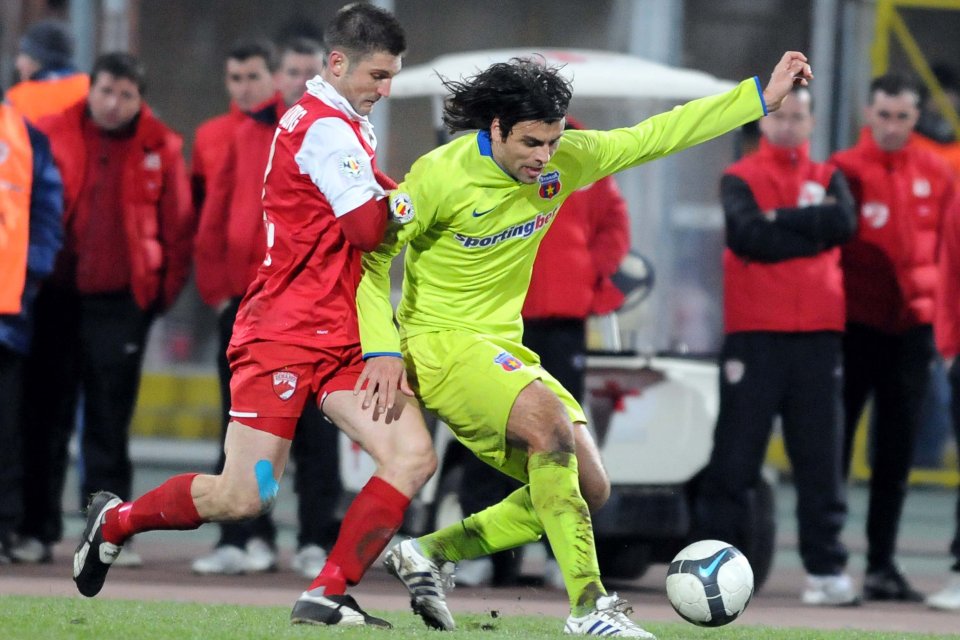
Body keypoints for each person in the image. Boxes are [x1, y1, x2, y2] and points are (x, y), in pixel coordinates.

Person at [356, 51, 813, 637]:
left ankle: (430, 552)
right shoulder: (437, 176)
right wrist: (383, 351)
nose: (544, 157)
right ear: (493, 128)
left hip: (503, 346)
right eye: (530, 142)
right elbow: (374, 259)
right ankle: (589, 608)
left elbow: (659, 134)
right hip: (438, 343)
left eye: (553, 140)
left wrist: (758, 98)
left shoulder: (563, 160)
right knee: (549, 428)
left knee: (590, 486)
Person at [71, 4, 436, 629]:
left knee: (411, 456)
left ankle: (327, 589)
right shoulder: (324, 128)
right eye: (378, 75)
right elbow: (368, 226)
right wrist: (424, 196)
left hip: (340, 335)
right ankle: (118, 520)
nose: (386, 88)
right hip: (283, 335)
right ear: (338, 63)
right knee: (246, 496)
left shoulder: (345, 122)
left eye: (393, 75)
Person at [10, 52, 195, 566]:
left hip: (120, 304)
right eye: (106, 92)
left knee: (109, 424)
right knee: (45, 418)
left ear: (140, 98)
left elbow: (178, 231)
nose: (113, 104)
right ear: (90, 90)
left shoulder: (161, 144)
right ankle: (36, 529)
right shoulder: (48, 131)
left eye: (126, 95)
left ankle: (110, 533)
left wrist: (155, 298)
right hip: (55, 298)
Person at [691, 86, 859, 606]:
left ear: (811, 124)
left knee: (820, 459)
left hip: (819, 337)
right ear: (763, 123)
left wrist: (778, 223)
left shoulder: (829, 175)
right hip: (755, 336)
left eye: (798, 117)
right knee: (736, 457)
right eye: (780, 116)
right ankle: (720, 566)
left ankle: (826, 570)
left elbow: (844, 224)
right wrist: (810, 231)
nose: (789, 125)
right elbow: (747, 237)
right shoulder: (740, 177)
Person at [455, 116, 630, 589]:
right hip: (502, 320)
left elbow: (615, 226)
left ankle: (560, 549)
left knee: (564, 440)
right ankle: (482, 552)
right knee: (489, 436)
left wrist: (585, 274)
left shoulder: (582, 155)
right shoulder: (499, 153)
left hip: (561, 320)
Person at [191, 37, 341, 578]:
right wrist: (220, 291)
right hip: (250, 305)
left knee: (318, 431)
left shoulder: (328, 134)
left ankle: (314, 540)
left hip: (310, 306)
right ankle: (243, 537)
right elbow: (217, 220)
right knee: (244, 425)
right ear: (278, 78)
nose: (302, 80)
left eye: (311, 70)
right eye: (293, 70)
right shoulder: (243, 133)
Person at [831, 73, 956, 602]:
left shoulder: (938, 172)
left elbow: (948, 255)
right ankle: (828, 562)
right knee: (833, 447)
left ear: (915, 117)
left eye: (902, 117)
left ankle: (882, 564)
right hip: (851, 326)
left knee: (896, 453)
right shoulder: (842, 170)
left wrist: (942, 328)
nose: (891, 127)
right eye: (883, 115)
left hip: (913, 331)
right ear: (868, 111)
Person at [0, 94, 64, 563]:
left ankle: (4, 529)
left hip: (6, 316)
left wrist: (29, 280)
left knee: (7, 430)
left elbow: (46, 216)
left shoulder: (27, 139)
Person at [190, 40, 277, 214]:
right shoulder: (207, 134)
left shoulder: (289, 130)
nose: (244, 88)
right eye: (236, 78)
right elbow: (198, 203)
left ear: (275, 78)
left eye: (253, 77)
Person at [7, 19, 89, 123]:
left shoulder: (19, 98)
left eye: (23, 54)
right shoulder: (90, 89)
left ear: (39, 59)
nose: (18, 64)